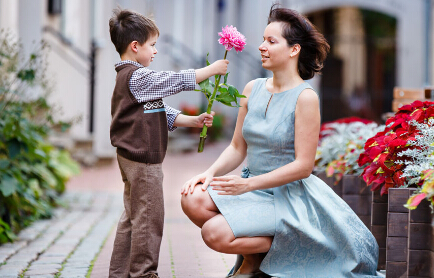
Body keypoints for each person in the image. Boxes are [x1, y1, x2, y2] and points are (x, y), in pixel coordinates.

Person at [181, 5, 382, 278]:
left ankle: (276, 251)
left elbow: (303, 166)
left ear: (293, 50)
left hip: (288, 197)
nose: (262, 46)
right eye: (263, 39)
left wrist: (248, 184)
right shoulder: (252, 88)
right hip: (251, 188)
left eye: (271, 41)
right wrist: (209, 173)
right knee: (191, 198)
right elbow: (237, 147)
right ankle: (257, 257)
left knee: (214, 233)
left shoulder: (305, 98)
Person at [108, 8, 229, 278]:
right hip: (143, 161)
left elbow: (157, 109)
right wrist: (210, 70)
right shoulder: (137, 76)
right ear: (135, 46)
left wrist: (192, 121)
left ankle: (119, 273)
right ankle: (144, 273)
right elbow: (172, 81)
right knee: (149, 219)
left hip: (131, 157)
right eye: (152, 45)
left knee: (132, 218)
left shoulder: (130, 78)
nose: (156, 51)